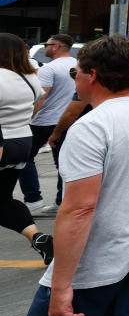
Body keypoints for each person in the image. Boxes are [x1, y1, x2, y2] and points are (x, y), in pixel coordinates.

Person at [23, 35, 129, 316]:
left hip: (98, 259)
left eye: (75, 71)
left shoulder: (91, 126)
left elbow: (79, 209)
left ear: (92, 75)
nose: (74, 78)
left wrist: (61, 285)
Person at [0, 34, 53, 266]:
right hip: (22, 141)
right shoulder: (30, 78)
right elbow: (36, 107)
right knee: (3, 200)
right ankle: (38, 238)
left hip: (3, 141)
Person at [19, 34, 77, 214]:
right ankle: (61, 201)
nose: (45, 47)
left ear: (56, 46)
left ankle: (33, 198)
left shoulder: (49, 68)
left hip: (44, 121)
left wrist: (27, 118)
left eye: (47, 44)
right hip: (69, 119)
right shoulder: (78, 64)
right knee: (63, 163)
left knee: (23, 158)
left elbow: (41, 98)